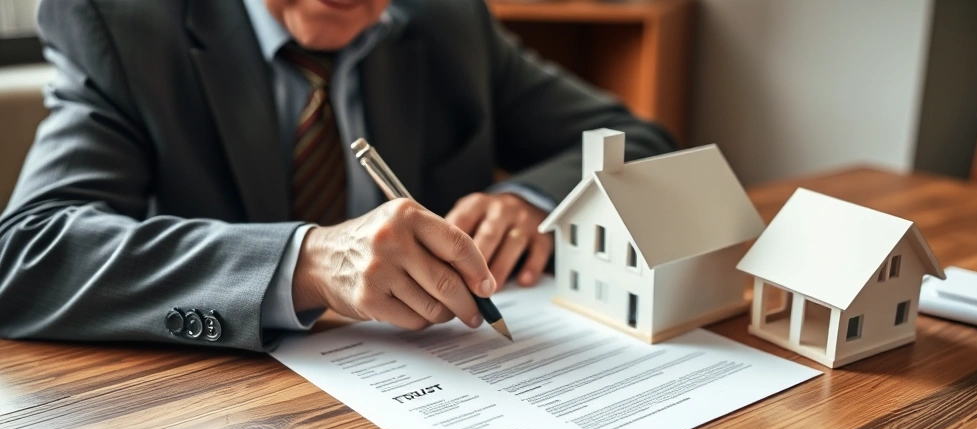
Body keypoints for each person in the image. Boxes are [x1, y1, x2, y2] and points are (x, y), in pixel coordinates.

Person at [0, 0, 675, 351]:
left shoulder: (449, 21)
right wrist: (308, 262)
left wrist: (530, 200)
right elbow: (28, 258)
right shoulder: (120, 25)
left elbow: (644, 141)